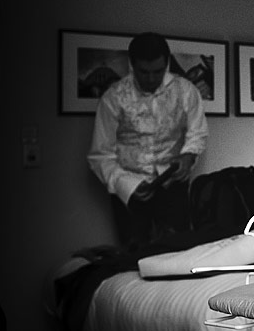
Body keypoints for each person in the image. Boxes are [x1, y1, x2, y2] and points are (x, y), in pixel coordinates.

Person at [88, 32, 209, 241]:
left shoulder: (186, 91)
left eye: (158, 71)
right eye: (144, 72)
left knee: (176, 253)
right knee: (133, 259)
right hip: (129, 192)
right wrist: (127, 186)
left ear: (167, 63)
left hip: (173, 189)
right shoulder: (113, 97)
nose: (151, 78)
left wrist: (188, 155)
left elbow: (197, 134)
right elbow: (100, 155)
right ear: (132, 65)